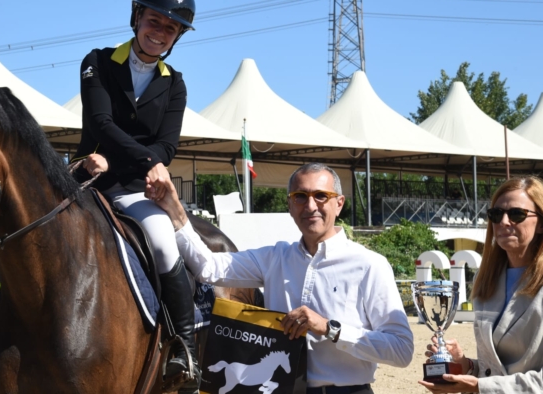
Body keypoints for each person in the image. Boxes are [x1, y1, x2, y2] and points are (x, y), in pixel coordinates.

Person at [149, 162, 414, 394]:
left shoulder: (370, 265)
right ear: (290, 204)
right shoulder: (275, 258)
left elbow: (401, 350)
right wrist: (175, 209)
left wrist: (329, 328)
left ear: (339, 203)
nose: (310, 206)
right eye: (300, 196)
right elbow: (209, 268)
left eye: (321, 196)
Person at [72, 1, 199, 392]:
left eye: (170, 29)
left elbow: (168, 143)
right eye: (154, 21)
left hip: (135, 188)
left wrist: (153, 166)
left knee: (163, 244)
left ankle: (185, 348)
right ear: (137, 18)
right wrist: (146, 159)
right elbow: (100, 122)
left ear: (176, 37)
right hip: (89, 174)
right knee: (36, 228)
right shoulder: (97, 61)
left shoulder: (174, 83)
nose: (160, 32)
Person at [418, 177, 543, 393]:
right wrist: (465, 364)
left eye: (516, 214)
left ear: (541, 222)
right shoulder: (485, 280)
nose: (503, 222)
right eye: (496, 214)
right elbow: (496, 370)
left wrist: (479, 386)